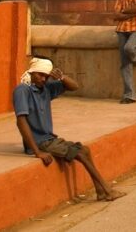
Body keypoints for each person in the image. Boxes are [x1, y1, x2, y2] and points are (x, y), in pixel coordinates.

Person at [13, 58, 124, 201]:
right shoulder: (23, 90)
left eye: (46, 76)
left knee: (85, 150)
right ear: (32, 73)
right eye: (40, 75)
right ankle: (107, 190)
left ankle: (100, 191)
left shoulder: (45, 88)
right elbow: (21, 122)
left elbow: (74, 86)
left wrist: (61, 77)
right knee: (80, 153)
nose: (43, 79)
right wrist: (37, 151)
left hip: (49, 139)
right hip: (40, 142)